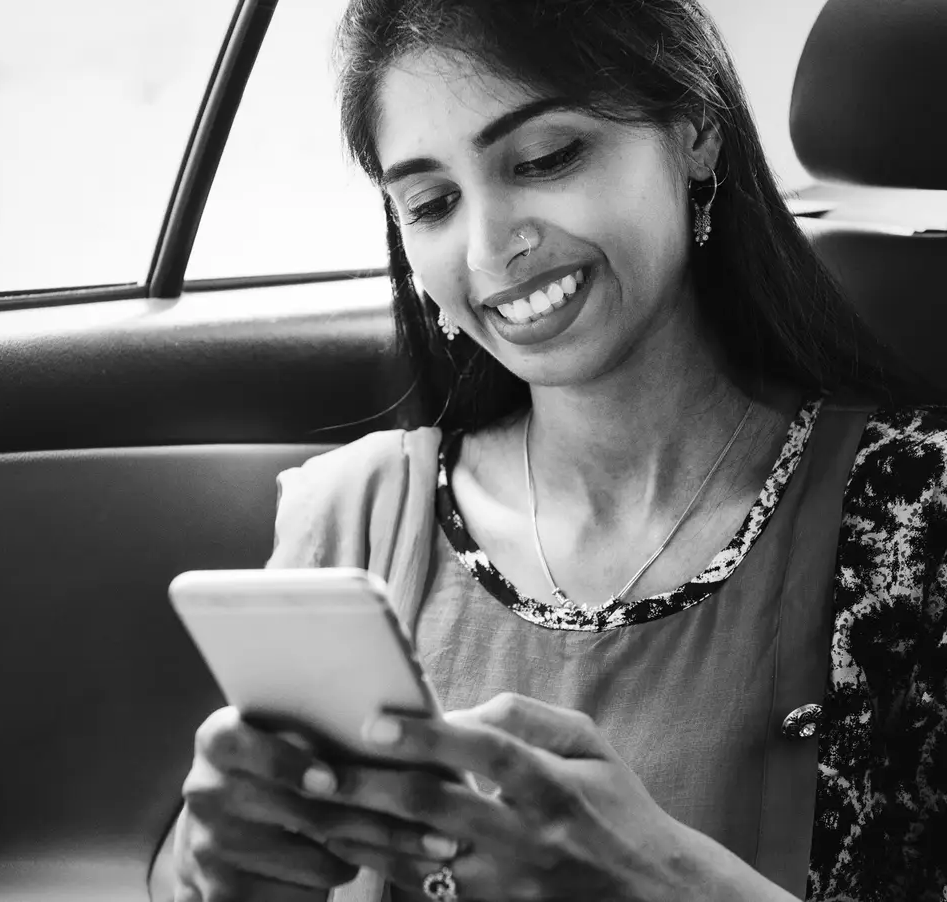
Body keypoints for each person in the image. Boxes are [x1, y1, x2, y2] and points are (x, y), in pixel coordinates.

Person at [161, 1, 947, 899]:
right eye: (431, 202)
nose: (494, 248)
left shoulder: (915, 519)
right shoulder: (358, 514)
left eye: (543, 160)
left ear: (696, 135)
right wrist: (208, 867)